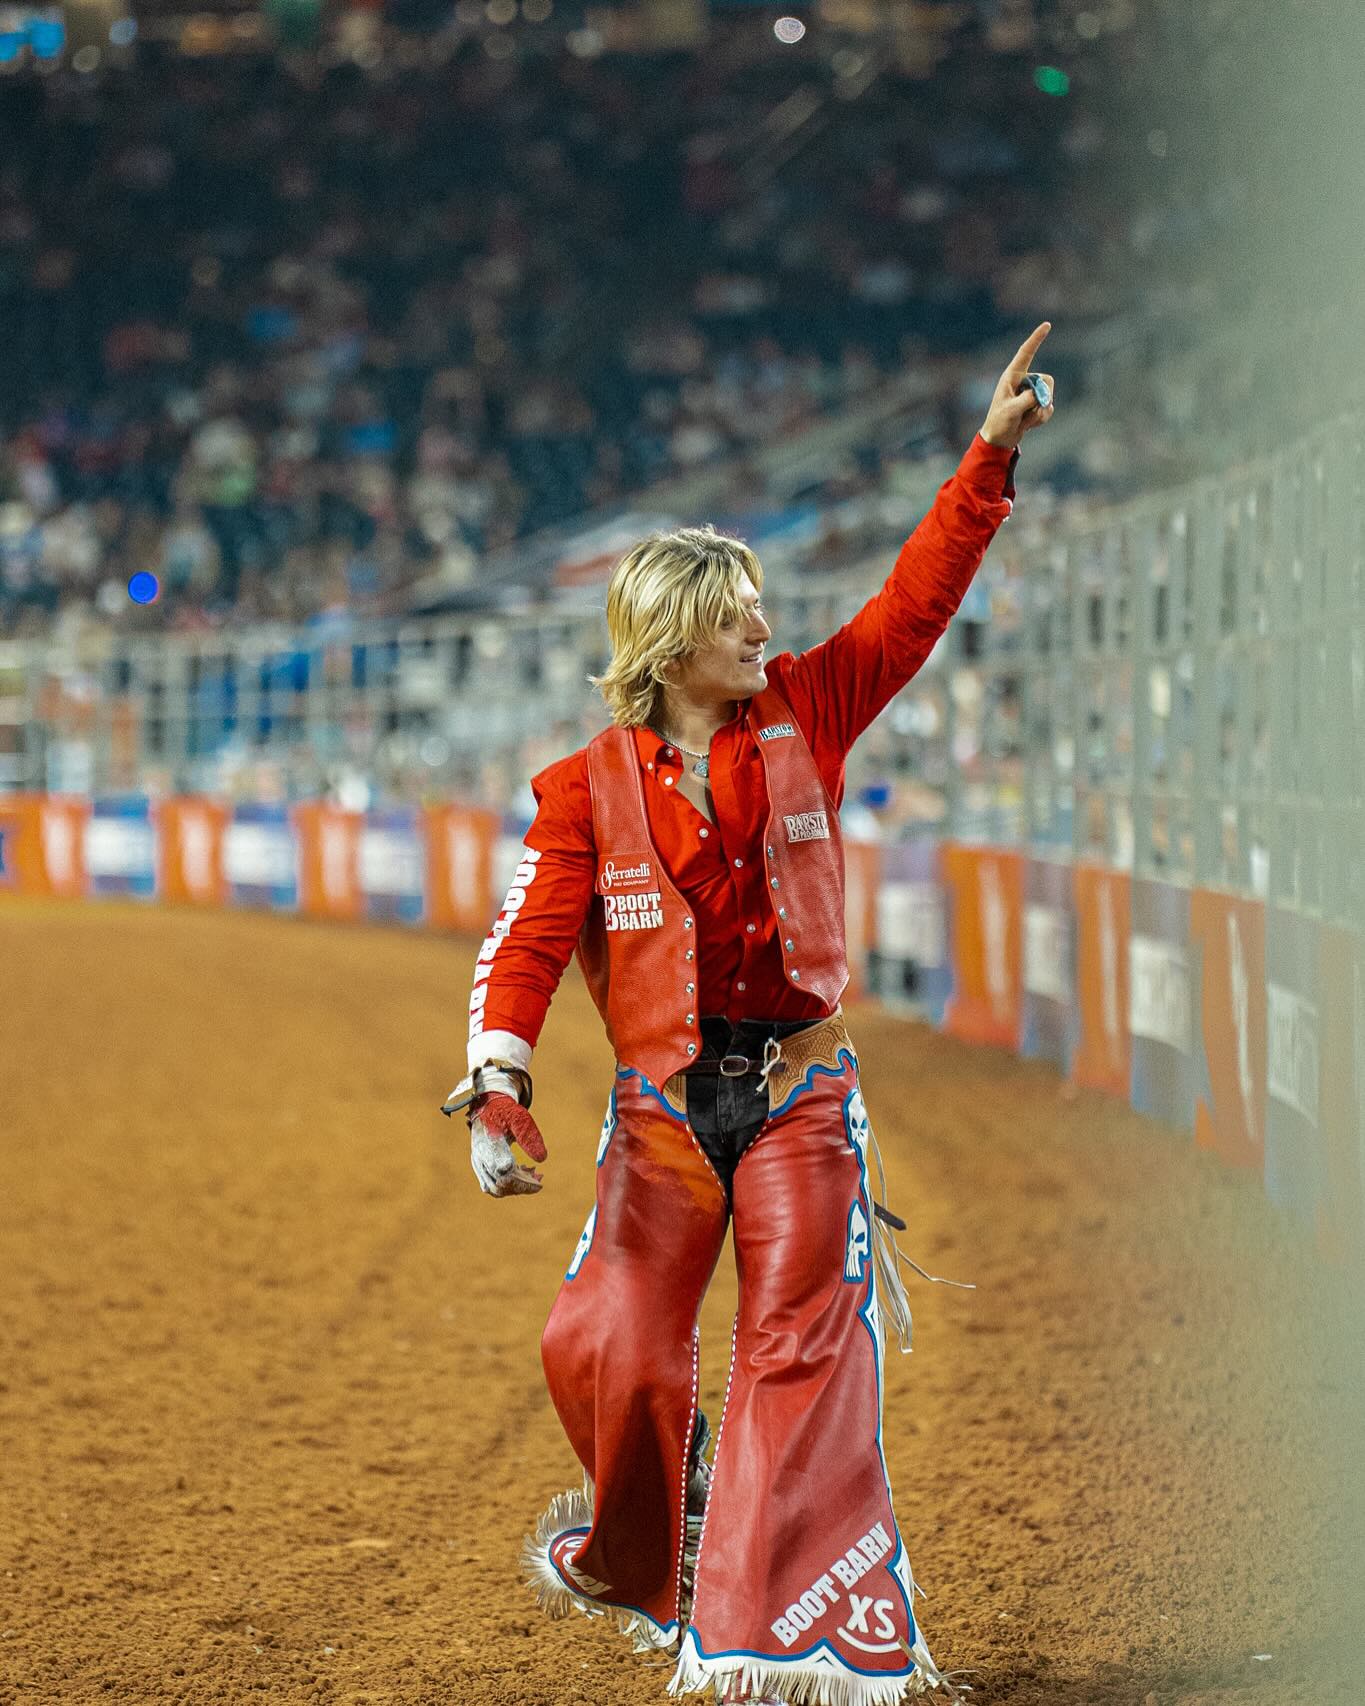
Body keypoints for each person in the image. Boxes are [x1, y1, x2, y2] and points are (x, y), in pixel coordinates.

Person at [443, 324, 1056, 1706]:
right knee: (605, 1347)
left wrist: (987, 457)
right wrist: (498, 1081)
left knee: (801, 1352)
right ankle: (632, 1553)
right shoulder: (578, 786)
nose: (763, 630)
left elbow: (913, 604)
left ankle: (787, 1644)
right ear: (671, 637)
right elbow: (530, 942)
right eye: (737, 616)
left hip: (795, 1090)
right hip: (659, 1103)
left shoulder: (814, 707)